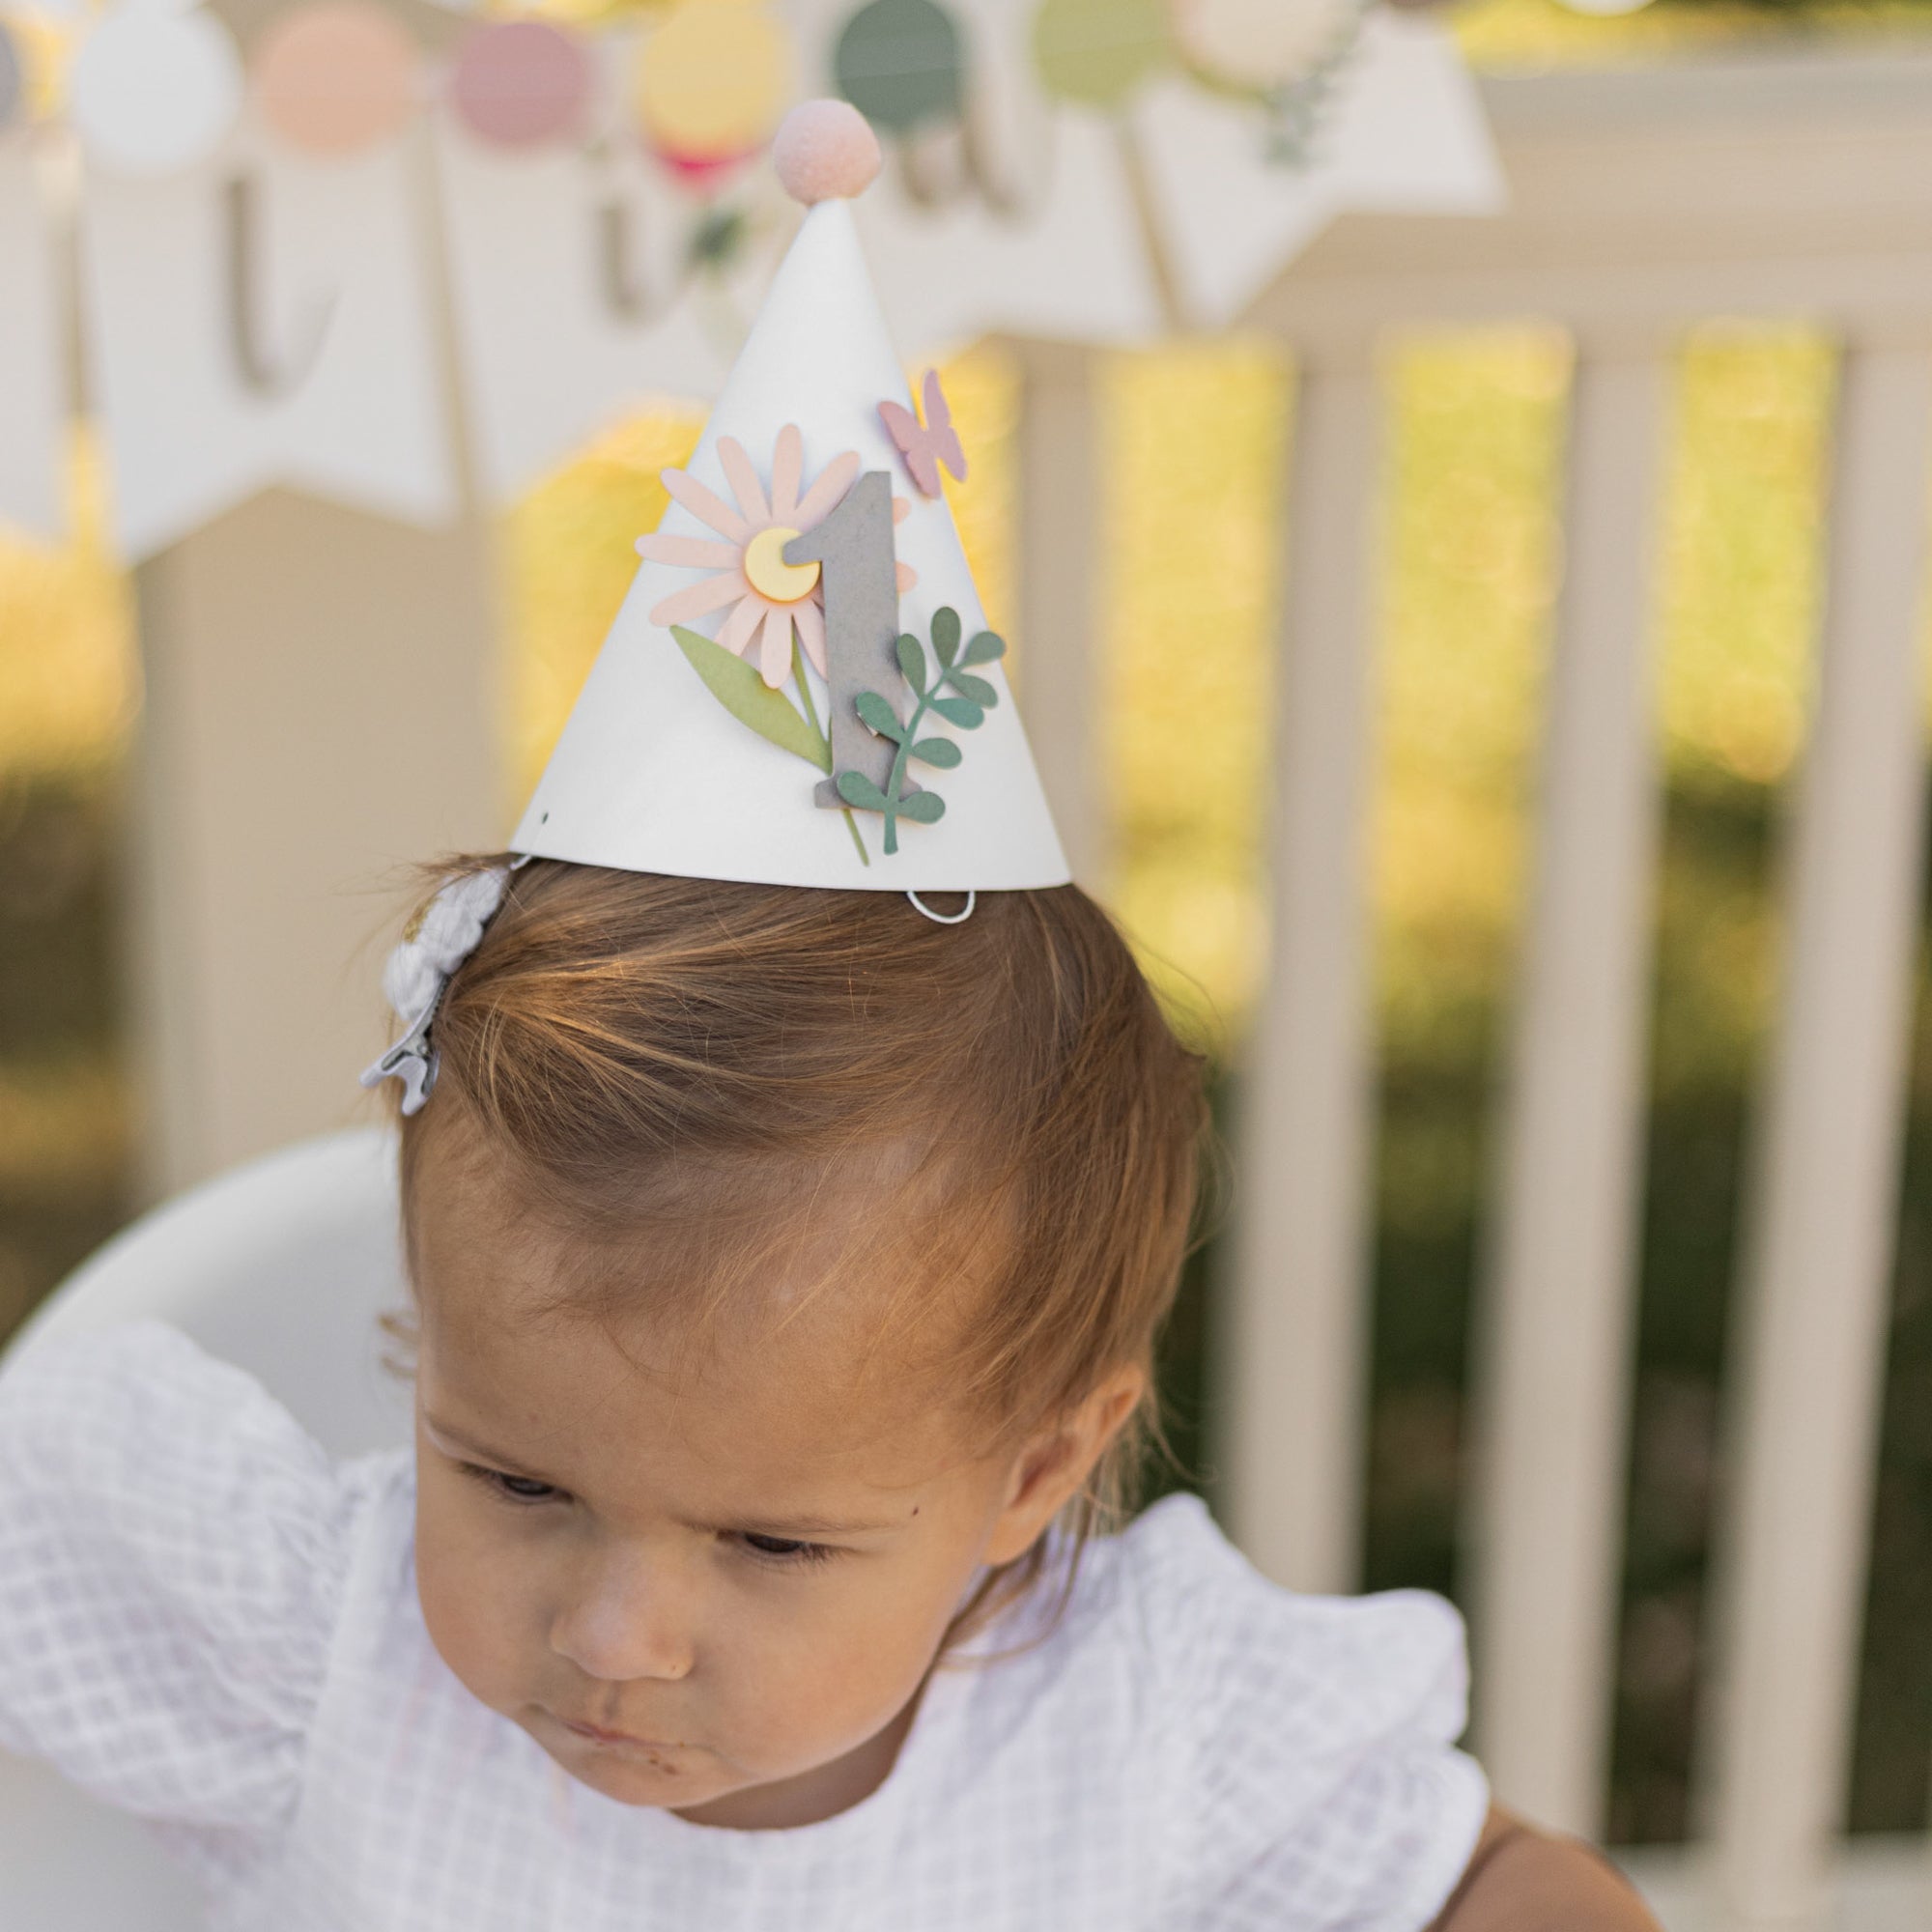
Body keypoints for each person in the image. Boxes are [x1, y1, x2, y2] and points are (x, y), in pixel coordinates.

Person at [0, 101, 1659, 1932]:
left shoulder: (1151, 1726)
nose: (615, 1637)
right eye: (517, 1479)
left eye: (773, 1542)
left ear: (1034, 1470)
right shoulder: (305, 1649)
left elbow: (1495, 1885)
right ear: (424, 1351)